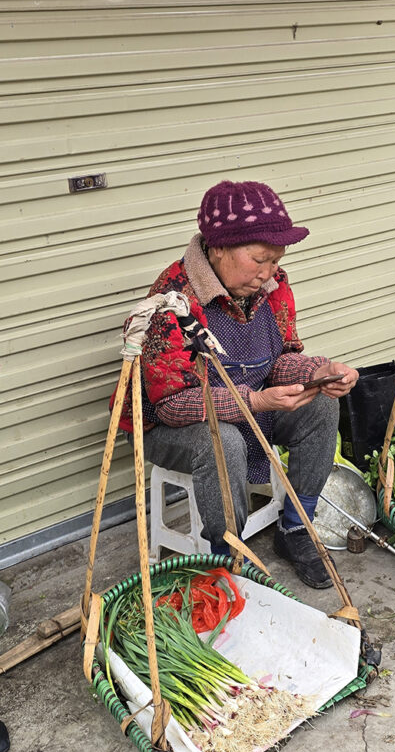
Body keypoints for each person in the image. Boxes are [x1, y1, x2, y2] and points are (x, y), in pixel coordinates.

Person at [115, 179, 359, 588]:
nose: (268, 273)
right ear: (218, 248)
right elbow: (172, 404)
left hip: (249, 404)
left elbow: (281, 359)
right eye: (259, 259)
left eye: (276, 260)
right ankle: (227, 554)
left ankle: (296, 528)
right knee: (222, 440)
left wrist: (317, 372)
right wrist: (257, 402)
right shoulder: (173, 300)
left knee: (321, 405)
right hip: (167, 426)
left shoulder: (273, 286)